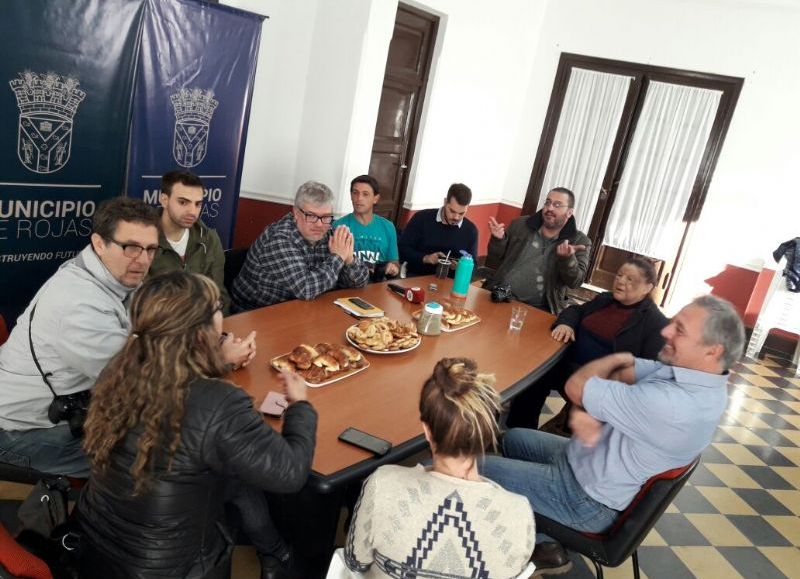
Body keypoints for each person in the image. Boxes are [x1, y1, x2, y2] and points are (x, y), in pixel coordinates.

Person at [76, 272, 317, 579]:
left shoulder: (119, 367)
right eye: (217, 306)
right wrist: (300, 406)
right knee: (241, 478)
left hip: (96, 547)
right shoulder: (218, 402)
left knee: (234, 475)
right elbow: (291, 472)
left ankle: (275, 553)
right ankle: (279, 556)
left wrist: (219, 362)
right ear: (200, 330)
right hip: (172, 567)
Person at [481, 295, 745, 575]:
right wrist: (613, 371)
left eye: (679, 330)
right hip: (591, 462)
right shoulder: (698, 379)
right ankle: (543, 539)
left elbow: (576, 386)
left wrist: (612, 364)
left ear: (712, 351)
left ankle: (539, 539)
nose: (665, 332)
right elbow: (621, 372)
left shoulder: (671, 404)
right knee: (514, 438)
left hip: (585, 498)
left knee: (473, 467)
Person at [0, 197, 255, 478]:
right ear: (99, 243)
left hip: (75, 410)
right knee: (171, 458)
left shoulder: (115, 275)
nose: (143, 260)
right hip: (22, 433)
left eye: (150, 249)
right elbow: (143, 380)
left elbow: (160, 329)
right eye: (131, 247)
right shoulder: (78, 304)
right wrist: (218, 359)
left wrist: (211, 340)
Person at [345, 358, 535, 578]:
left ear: (426, 430)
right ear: (485, 432)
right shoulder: (519, 514)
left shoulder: (382, 484)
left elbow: (355, 562)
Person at [506, 258, 668, 430]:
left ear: (648, 287)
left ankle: (540, 439)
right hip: (567, 362)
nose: (620, 281)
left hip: (602, 382)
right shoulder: (605, 299)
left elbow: (649, 370)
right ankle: (517, 430)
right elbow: (575, 310)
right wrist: (566, 323)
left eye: (630, 279)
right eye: (619, 275)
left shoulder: (654, 323)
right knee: (537, 373)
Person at [231, 181, 370, 311]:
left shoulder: (330, 233)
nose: (320, 224)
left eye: (326, 217)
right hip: (253, 314)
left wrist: (349, 259)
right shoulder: (280, 238)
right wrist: (339, 256)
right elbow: (306, 289)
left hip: (302, 309)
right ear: (296, 213)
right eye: (311, 216)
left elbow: (360, 281)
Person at [484, 187, 591, 314]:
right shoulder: (521, 225)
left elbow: (576, 282)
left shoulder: (579, 241)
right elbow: (494, 259)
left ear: (569, 212)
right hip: (501, 296)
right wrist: (498, 240)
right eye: (547, 202)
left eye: (557, 205)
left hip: (539, 309)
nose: (550, 208)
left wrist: (568, 260)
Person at [148, 170, 230, 312]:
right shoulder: (144, 240)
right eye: (183, 202)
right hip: (161, 327)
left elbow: (219, 295)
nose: (192, 211)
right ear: (164, 200)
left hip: (204, 324)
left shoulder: (209, 239)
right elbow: (143, 301)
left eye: (198, 204)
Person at [398, 183, 479, 276]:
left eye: (461, 213)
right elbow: (402, 249)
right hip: (417, 275)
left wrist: (461, 267)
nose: (456, 217)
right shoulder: (422, 218)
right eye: (452, 211)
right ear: (445, 202)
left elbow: (474, 267)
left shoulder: (471, 230)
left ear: (467, 208)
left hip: (451, 282)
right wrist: (425, 258)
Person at [333, 175, 400, 280]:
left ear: (375, 199)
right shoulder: (338, 226)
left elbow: (394, 261)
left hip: (378, 284)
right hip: (348, 284)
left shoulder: (388, 226)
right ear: (351, 196)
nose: (359, 198)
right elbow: (333, 265)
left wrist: (393, 267)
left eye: (365, 194)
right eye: (355, 193)